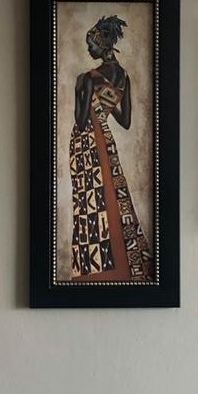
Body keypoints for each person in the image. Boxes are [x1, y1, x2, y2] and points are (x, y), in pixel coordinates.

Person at [69, 15, 154, 282]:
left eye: (90, 45)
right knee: (110, 197)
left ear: (102, 44)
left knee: (91, 201)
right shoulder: (123, 77)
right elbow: (125, 121)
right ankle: (120, 264)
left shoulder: (87, 78)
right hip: (105, 141)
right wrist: (105, 102)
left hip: (86, 144)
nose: (88, 50)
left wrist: (80, 92)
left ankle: (94, 269)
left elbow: (81, 120)